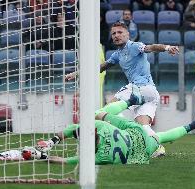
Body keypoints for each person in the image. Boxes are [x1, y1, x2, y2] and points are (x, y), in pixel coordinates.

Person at [66, 22, 179, 156]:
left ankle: (104, 141)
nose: (116, 36)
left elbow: (151, 47)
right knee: (143, 127)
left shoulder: (135, 46)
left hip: (140, 88)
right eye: (113, 33)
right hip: (151, 94)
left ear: (127, 34)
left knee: (106, 110)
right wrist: (76, 74)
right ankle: (158, 148)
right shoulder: (118, 54)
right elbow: (101, 67)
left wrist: (167, 47)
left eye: (120, 32)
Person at [29, 89, 195, 164]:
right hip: (136, 134)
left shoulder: (99, 158)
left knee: (162, 138)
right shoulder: (102, 127)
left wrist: (44, 155)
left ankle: (194, 124)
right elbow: (99, 119)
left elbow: (62, 161)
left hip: (141, 151)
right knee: (98, 112)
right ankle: (131, 101)